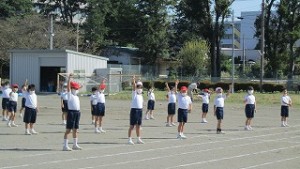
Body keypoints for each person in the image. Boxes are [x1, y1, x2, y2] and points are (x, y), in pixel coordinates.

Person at [63, 74, 82, 151]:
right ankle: (65, 146)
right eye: (75, 88)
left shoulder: (76, 96)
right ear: (72, 88)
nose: (76, 89)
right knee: (68, 130)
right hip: (71, 112)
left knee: (76, 129)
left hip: (77, 112)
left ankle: (75, 144)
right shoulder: (70, 94)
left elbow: (79, 87)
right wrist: (69, 79)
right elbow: (68, 87)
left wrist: (79, 85)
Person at [128, 75, 144, 145]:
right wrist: (134, 80)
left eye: (140, 87)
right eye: (138, 87)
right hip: (134, 110)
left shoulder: (141, 95)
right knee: (132, 126)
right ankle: (129, 139)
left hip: (140, 110)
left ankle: (138, 138)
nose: (139, 88)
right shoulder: (134, 93)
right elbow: (134, 86)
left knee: (138, 125)